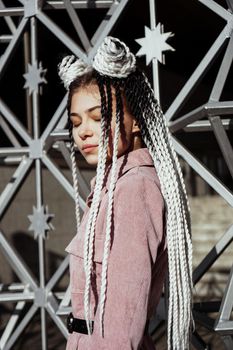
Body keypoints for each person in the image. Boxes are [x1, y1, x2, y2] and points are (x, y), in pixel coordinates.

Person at [58, 36, 194, 350]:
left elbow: (123, 323)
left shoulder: (134, 189)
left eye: (98, 116)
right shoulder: (114, 187)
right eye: (76, 122)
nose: (84, 131)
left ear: (134, 122)